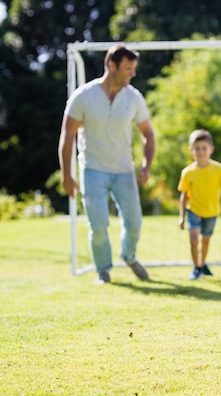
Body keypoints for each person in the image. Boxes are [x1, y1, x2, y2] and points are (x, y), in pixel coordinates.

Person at [58, 44, 155, 285]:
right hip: (93, 170)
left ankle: (129, 256)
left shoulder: (133, 98)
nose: (132, 74)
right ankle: (103, 269)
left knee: (135, 224)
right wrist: (67, 176)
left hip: (124, 170)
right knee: (98, 224)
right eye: (128, 68)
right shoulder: (84, 96)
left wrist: (146, 164)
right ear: (111, 66)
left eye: (133, 69)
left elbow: (148, 134)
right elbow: (67, 136)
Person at [178, 129, 221, 280]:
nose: (200, 151)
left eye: (204, 148)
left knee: (205, 241)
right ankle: (196, 268)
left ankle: (202, 263)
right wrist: (182, 217)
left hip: (212, 212)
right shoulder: (188, 172)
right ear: (191, 150)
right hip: (193, 210)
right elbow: (183, 196)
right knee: (194, 240)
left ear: (211, 149)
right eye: (197, 148)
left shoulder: (219, 169)